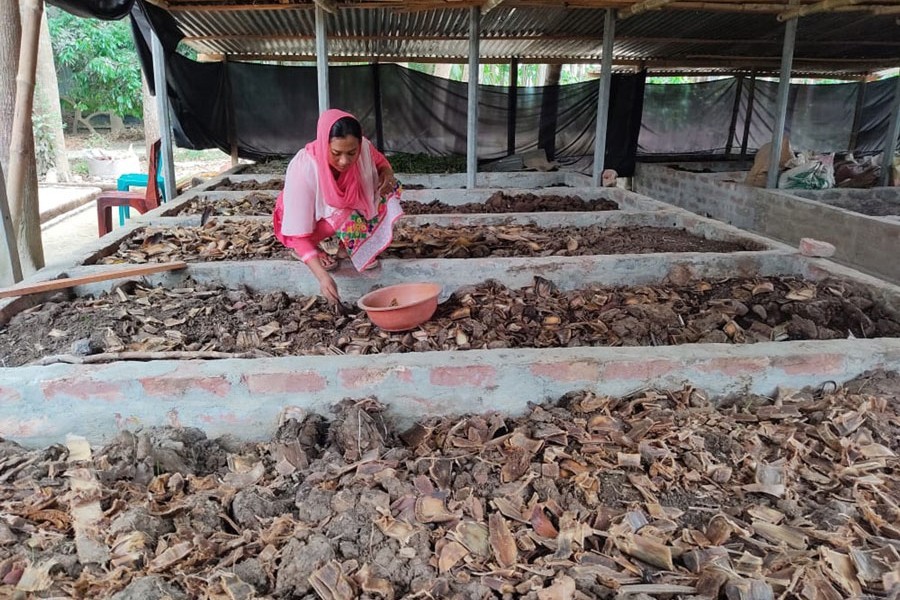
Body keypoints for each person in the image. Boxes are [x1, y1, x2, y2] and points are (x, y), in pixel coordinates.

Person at [273, 109, 403, 304]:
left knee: (386, 190)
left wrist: (387, 175)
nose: (344, 161)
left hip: (337, 212)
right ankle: (309, 251)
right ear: (324, 144)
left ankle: (347, 247)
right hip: (301, 225)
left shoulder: (364, 149)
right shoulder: (304, 168)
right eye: (336, 153)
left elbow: (381, 163)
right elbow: (296, 232)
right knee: (344, 211)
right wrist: (323, 278)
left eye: (352, 153)